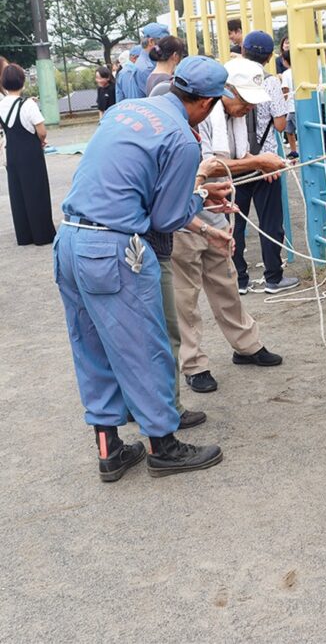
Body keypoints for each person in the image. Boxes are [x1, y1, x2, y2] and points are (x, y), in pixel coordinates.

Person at [53, 56, 235, 481]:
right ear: (207, 104)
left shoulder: (127, 109)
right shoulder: (183, 139)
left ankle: (109, 449)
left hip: (71, 238)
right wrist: (200, 200)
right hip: (115, 247)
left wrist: (198, 196)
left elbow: (132, 185)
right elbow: (166, 218)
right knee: (145, 345)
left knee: (91, 347)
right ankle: (163, 446)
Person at [171, 57, 285, 394]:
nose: (247, 107)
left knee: (226, 281)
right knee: (185, 294)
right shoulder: (200, 118)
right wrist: (257, 162)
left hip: (215, 211)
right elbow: (208, 166)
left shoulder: (232, 117)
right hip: (186, 215)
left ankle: (246, 344)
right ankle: (193, 364)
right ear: (222, 93)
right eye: (243, 99)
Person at [234, 30, 299, 294]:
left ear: (243, 50)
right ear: (270, 55)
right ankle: (273, 276)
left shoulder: (231, 78)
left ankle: (239, 279)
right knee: (270, 221)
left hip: (236, 159)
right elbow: (281, 124)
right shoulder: (270, 82)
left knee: (236, 221)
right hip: (266, 161)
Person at [0, 64, 56, 246]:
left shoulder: (1, 104)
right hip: (30, 151)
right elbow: (41, 130)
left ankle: (24, 235)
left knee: (18, 193)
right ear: (22, 81)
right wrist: (41, 140)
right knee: (36, 190)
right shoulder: (28, 104)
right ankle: (42, 234)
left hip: (12, 151)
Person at [122, 23, 170, 101]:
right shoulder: (147, 68)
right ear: (151, 42)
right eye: (164, 43)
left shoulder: (144, 63)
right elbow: (160, 100)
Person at [279, 45, 298, 159]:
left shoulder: (286, 73)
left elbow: (285, 89)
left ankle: (294, 150)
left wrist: (282, 102)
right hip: (293, 106)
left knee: (291, 130)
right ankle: (293, 151)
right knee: (289, 130)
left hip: (291, 106)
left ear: (286, 61)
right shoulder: (296, 72)